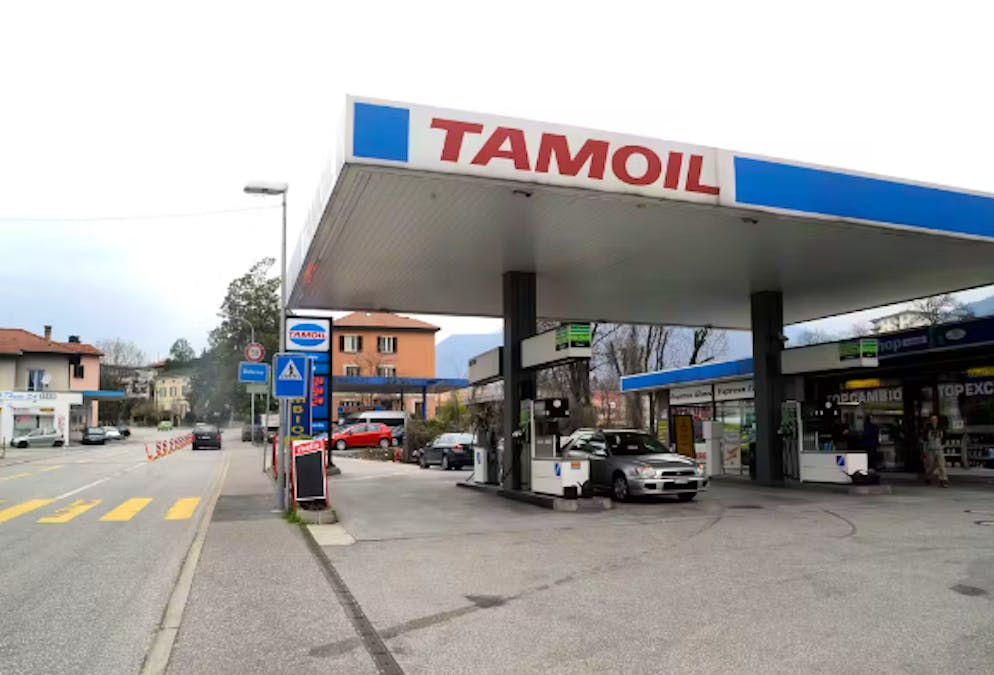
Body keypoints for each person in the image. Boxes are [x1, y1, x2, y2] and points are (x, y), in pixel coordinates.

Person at [922, 414, 949, 487]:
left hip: (939, 449)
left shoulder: (941, 428)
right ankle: (928, 477)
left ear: (937, 420)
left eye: (935, 419)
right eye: (932, 419)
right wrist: (924, 451)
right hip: (930, 449)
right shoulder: (927, 429)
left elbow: (944, 438)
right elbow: (924, 440)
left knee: (942, 465)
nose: (934, 421)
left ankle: (944, 480)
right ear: (930, 420)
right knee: (930, 465)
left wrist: (943, 446)